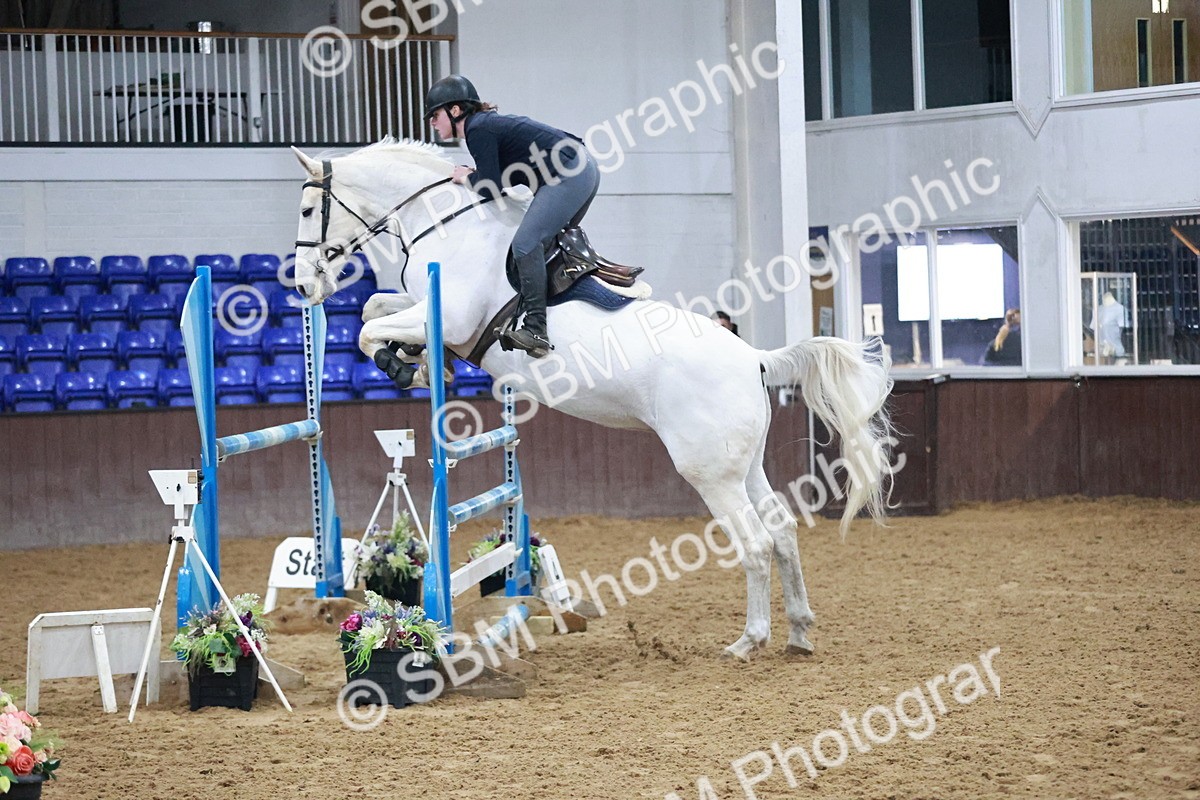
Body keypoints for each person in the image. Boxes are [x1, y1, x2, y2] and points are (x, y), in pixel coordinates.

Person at [423, 75, 600, 358]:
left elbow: (490, 188)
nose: (432, 122)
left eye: (435, 114)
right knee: (538, 246)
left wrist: (466, 177)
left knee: (525, 244)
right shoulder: (485, 125)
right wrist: (475, 176)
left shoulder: (478, 129)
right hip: (582, 167)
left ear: (455, 111)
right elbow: (499, 180)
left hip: (570, 172)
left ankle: (536, 330)